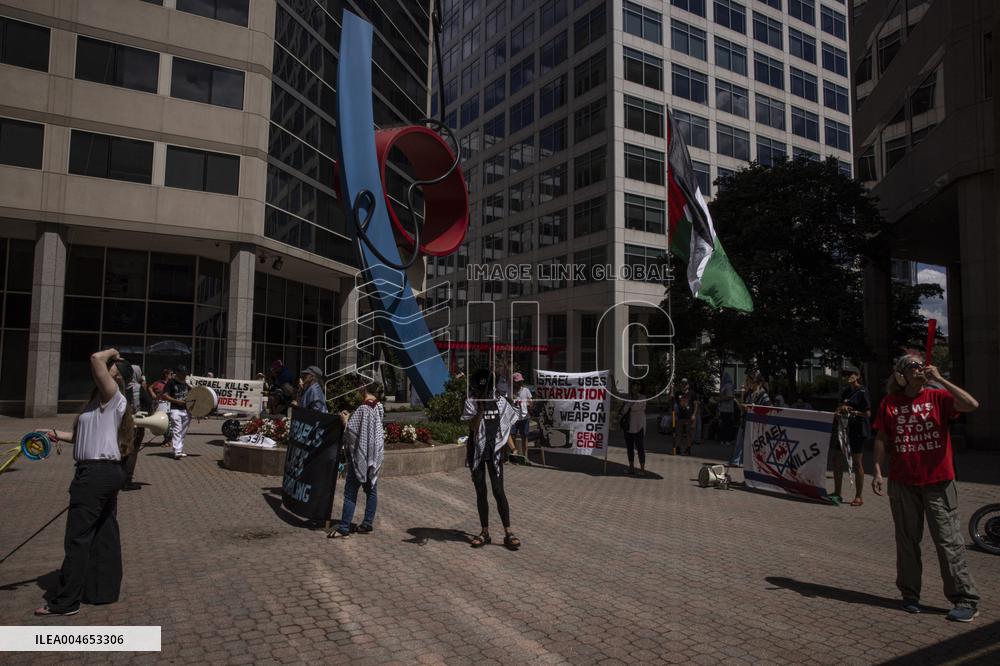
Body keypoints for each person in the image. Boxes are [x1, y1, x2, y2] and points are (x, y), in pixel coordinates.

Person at [872, 355, 980, 622]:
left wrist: (940, 379)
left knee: (948, 540)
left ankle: (965, 599)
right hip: (902, 482)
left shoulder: (937, 397)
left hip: (939, 482)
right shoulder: (889, 403)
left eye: (921, 364)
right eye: (913, 366)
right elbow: (882, 438)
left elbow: (971, 404)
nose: (919, 368)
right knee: (907, 541)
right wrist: (876, 469)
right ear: (900, 375)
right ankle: (909, 595)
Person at [36, 348, 134, 616]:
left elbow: (94, 357)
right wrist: (54, 433)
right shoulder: (98, 402)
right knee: (104, 535)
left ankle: (66, 602)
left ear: (118, 377)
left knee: (78, 538)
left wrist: (114, 351)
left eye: (112, 366)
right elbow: (81, 436)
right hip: (101, 473)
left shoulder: (114, 397)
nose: (105, 367)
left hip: (95, 474)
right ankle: (102, 592)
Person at [462, 368, 521, 550]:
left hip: (494, 452)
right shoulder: (472, 401)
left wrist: (514, 449)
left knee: (498, 490)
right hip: (477, 452)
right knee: (481, 491)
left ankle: (508, 532)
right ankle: (484, 532)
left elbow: (505, 429)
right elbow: (472, 427)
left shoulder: (501, 402)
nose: (483, 391)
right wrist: (479, 410)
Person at [328, 380, 385, 538]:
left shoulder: (362, 409)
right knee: (371, 490)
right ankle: (367, 523)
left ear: (364, 388)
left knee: (350, 492)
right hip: (374, 456)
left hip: (361, 457)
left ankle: (344, 527)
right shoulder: (379, 407)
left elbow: (351, 433)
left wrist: (344, 421)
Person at [832, 366, 870, 507]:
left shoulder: (862, 391)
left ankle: (858, 496)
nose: (847, 376)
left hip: (858, 431)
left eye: (850, 374)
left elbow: (867, 414)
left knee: (857, 462)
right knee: (836, 459)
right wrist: (838, 412)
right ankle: (837, 492)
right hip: (844, 430)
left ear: (857, 375)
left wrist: (852, 411)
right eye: (845, 374)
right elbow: (840, 407)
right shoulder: (845, 391)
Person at [729, 372, 771, 466]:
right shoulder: (750, 393)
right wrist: (742, 405)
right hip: (745, 421)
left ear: (758, 383)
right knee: (739, 442)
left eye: (751, 382)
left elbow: (767, 410)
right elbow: (744, 405)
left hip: (756, 425)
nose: (749, 384)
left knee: (751, 445)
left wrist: (753, 408)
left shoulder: (764, 395)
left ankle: (749, 463)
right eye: (748, 382)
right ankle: (736, 461)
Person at [121, 363, 145, 491]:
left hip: (120, 424)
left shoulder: (119, 387)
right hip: (135, 425)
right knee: (132, 451)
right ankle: (127, 480)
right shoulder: (138, 388)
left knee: (121, 450)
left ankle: (118, 478)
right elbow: (149, 405)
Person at [163, 365, 191, 460]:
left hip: (186, 410)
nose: (184, 376)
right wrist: (177, 401)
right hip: (175, 409)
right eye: (182, 374)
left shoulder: (186, 383)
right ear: (178, 373)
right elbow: (165, 395)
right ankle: (176, 450)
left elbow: (194, 393)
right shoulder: (171, 382)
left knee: (183, 431)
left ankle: (179, 449)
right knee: (177, 430)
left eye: (185, 374)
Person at [619, 383, 648, 473]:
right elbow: (623, 410)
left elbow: (633, 408)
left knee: (640, 447)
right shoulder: (627, 397)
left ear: (640, 387)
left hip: (639, 426)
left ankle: (642, 469)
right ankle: (631, 467)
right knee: (629, 448)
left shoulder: (642, 397)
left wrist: (628, 404)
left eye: (637, 385)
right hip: (628, 426)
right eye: (633, 385)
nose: (635, 387)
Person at [510, 372, 532, 462]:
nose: (519, 383)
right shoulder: (510, 392)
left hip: (524, 417)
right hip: (514, 418)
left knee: (524, 436)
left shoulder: (526, 390)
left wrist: (528, 403)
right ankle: (515, 456)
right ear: (513, 382)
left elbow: (531, 402)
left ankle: (525, 456)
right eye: (517, 382)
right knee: (513, 435)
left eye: (520, 381)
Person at [148, 368, 173, 446]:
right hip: (160, 404)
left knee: (168, 423)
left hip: (168, 404)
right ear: (166, 375)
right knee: (163, 422)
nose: (172, 376)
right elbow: (150, 387)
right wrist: (152, 394)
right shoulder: (158, 383)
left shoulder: (171, 383)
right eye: (171, 374)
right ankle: (167, 440)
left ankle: (167, 440)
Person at [718, 373, 737, 446]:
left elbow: (730, 397)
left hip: (726, 409)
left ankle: (725, 440)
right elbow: (730, 396)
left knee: (725, 425)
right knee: (726, 425)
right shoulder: (727, 386)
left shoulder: (727, 386)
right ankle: (725, 440)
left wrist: (721, 399)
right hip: (727, 409)